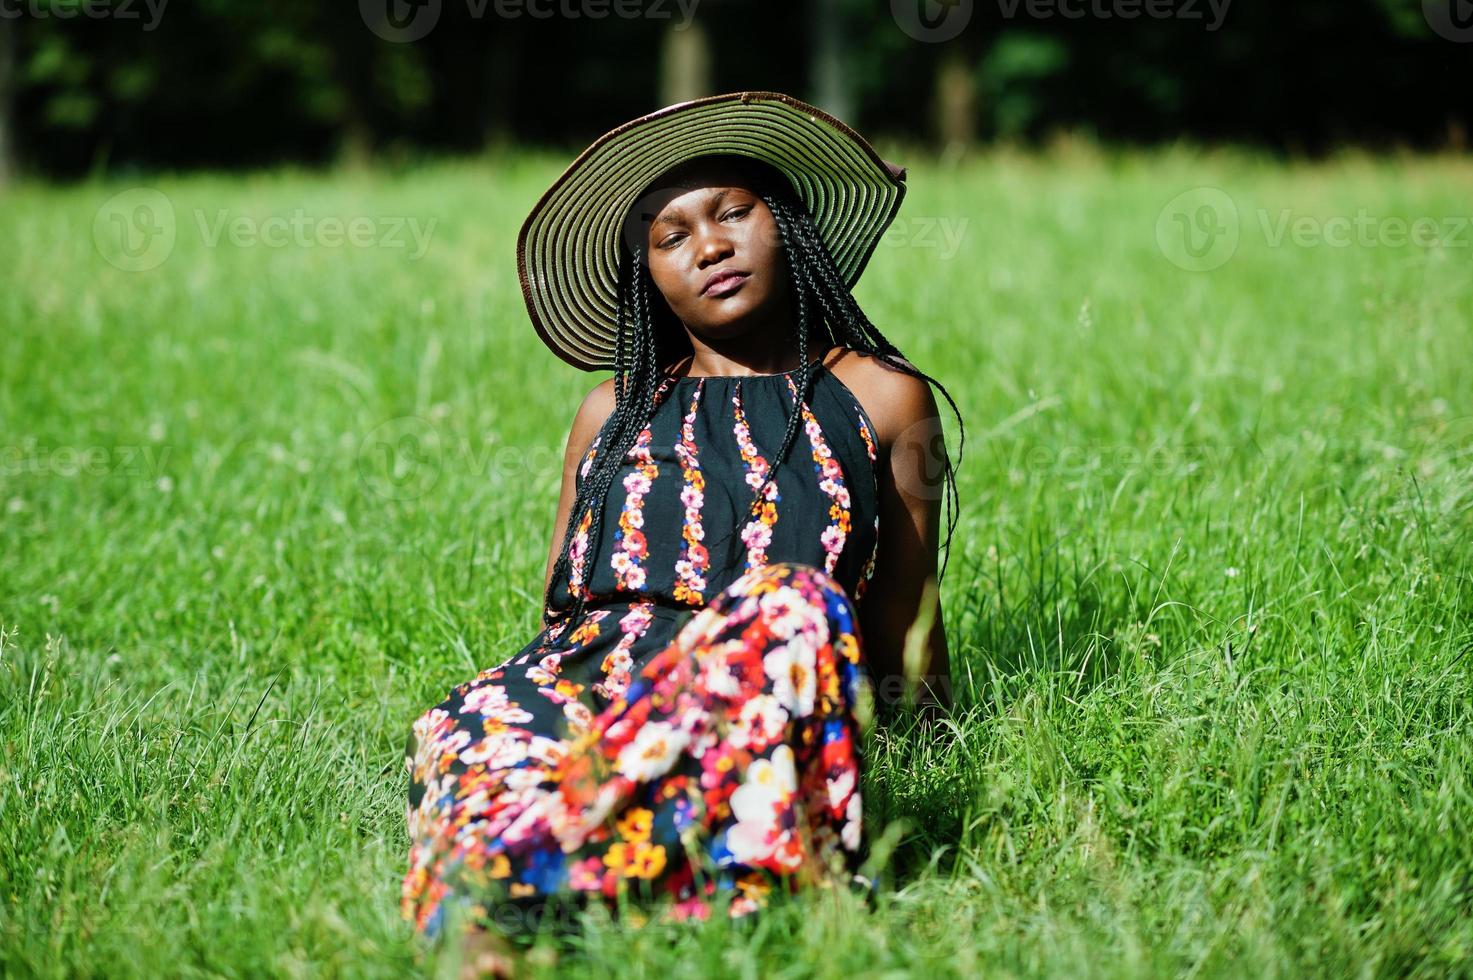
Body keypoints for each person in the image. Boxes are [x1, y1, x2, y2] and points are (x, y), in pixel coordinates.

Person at [400, 91, 965, 975]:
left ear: (786, 226)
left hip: (759, 682)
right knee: (472, 725)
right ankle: (484, 932)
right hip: (595, 683)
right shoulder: (611, 413)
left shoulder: (881, 398)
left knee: (792, 601)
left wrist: (921, 753)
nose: (709, 246)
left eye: (734, 213)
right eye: (670, 237)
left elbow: (904, 604)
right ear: (646, 277)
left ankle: (641, 886)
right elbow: (561, 603)